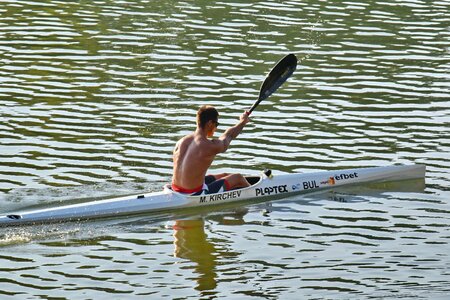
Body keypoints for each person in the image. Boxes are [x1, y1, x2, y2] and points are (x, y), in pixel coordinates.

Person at [172, 105, 251, 195]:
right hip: (193, 194)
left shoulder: (181, 142)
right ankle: (256, 195)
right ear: (210, 123)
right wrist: (243, 122)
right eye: (216, 124)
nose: (216, 128)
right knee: (238, 178)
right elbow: (229, 136)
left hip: (175, 189)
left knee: (225, 175)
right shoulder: (208, 145)